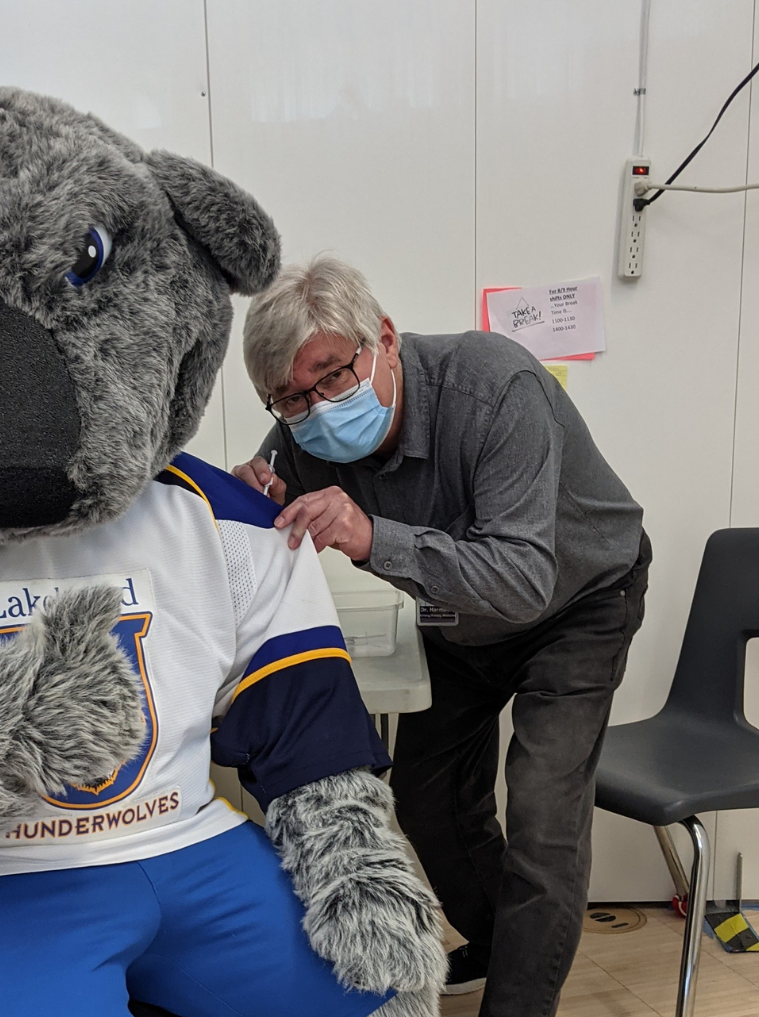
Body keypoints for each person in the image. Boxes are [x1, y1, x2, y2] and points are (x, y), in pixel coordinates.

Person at [233, 255, 650, 1017]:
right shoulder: (299, 432)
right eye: (289, 398)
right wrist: (249, 498)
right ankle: (501, 941)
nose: (316, 409)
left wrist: (371, 537)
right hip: (460, 618)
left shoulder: (496, 389)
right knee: (426, 799)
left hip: (578, 601)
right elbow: (267, 486)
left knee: (543, 817)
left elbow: (523, 579)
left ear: (384, 341)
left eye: (332, 377)